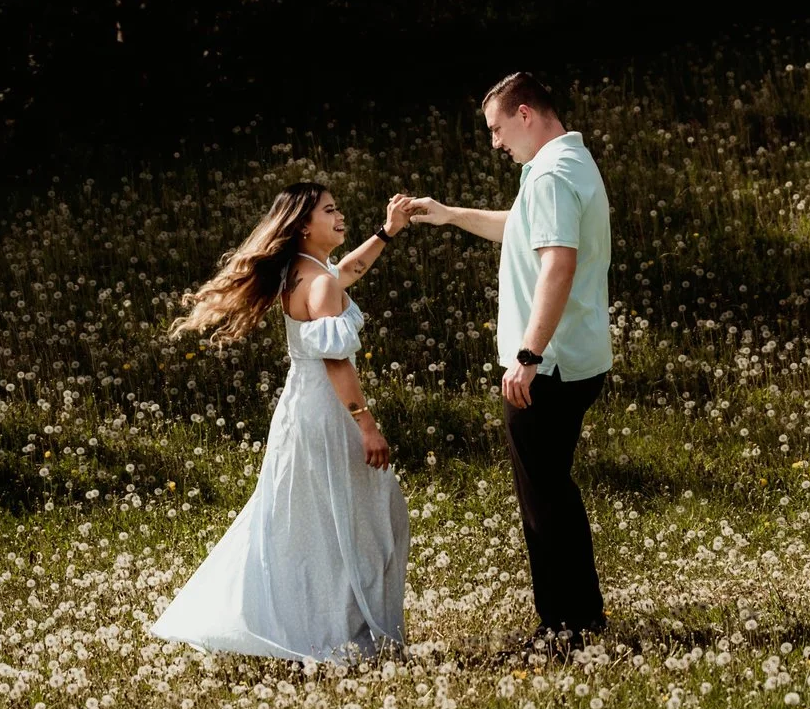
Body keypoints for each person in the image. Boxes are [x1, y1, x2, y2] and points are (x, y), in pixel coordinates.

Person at [150, 183, 414, 661]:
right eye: (329, 210)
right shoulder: (319, 281)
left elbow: (346, 271)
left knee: (308, 519)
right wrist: (367, 425)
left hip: (299, 407)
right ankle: (341, 632)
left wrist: (387, 232)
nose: (339, 216)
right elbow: (337, 361)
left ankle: (308, 622)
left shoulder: (302, 272)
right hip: (328, 411)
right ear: (303, 225)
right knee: (367, 520)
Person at [394, 71, 612, 642]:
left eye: (496, 129)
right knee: (554, 490)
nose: (494, 143)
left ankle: (563, 626)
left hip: (549, 363)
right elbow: (523, 230)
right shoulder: (571, 162)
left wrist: (528, 354)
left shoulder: (548, 175)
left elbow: (557, 264)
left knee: (542, 499)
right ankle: (583, 615)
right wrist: (450, 214)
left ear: (524, 115)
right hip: (579, 357)